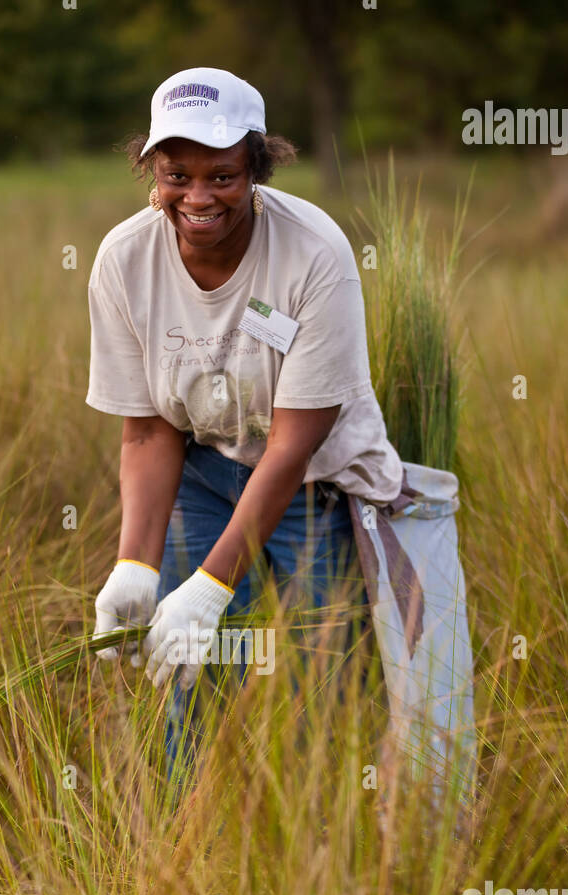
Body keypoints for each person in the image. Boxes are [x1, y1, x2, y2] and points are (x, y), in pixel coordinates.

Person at [86, 66, 468, 797]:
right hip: (200, 473)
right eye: (177, 174)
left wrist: (211, 584)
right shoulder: (123, 261)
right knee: (189, 673)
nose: (198, 197)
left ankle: (326, 853)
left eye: (222, 175)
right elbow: (147, 432)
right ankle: (187, 845)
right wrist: (135, 564)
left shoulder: (312, 254)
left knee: (325, 683)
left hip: (314, 484)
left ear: (257, 168)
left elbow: (296, 442)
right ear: (151, 171)